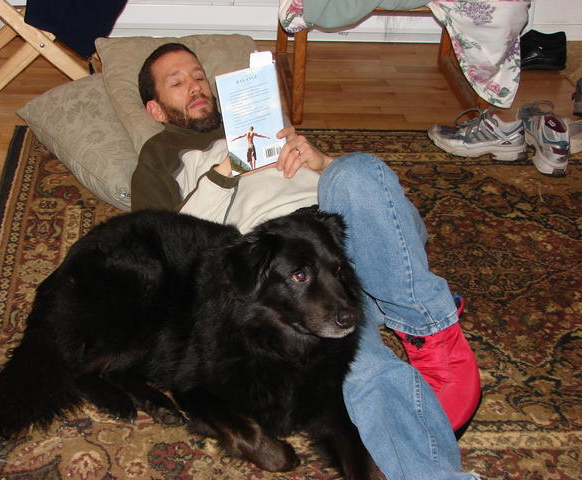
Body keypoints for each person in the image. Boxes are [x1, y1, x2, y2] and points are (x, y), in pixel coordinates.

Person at [132, 42, 482, 479]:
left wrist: (320, 162)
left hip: (340, 229)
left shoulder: (265, 121)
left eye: (199, 76)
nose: (196, 87)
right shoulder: (159, 156)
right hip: (290, 270)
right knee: (363, 372)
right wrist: (225, 171)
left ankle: (429, 327)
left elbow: (390, 207)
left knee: (356, 170)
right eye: (177, 83)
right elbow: (170, 244)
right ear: (156, 110)